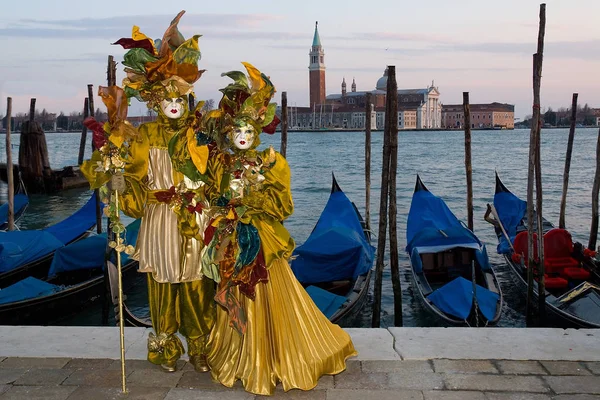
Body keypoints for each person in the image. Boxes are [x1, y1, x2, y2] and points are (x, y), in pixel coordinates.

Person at [201, 62, 357, 395]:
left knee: (269, 288)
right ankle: (245, 354)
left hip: (261, 236)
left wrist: (253, 196)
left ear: (255, 134)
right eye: (237, 133)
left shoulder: (270, 162)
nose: (242, 138)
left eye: (248, 133)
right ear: (230, 134)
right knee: (236, 290)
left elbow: (282, 203)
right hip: (233, 236)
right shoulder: (223, 163)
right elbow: (216, 196)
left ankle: (274, 352)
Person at [82, 11, 215, 373]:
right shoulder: (144, 137)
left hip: (193, 217)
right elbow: (129, 174)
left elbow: (215, 176)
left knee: (196, 282)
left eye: (178, 96)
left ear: (186, 98)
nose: (173, 103)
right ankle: (166, 349)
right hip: (159, 219)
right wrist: (116, 175)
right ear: (156, 101)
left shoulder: (200, 135)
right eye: (165, 97)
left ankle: (201, 346)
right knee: (161, 285)